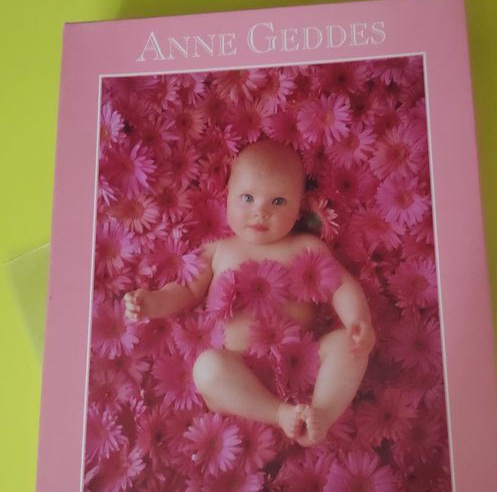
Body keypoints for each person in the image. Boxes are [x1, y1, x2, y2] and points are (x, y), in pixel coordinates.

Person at [124, 139, 375, 446]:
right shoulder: (220, 250)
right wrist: (152, 302)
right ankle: (279, 414)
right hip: (238, 372)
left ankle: (318, 415)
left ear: (299, 208)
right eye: (247, 198)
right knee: (207, 368)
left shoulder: (307, 247)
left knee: (349, 346)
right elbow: (186, 289)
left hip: (303, 368)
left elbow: (342, 285)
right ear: (227, 196)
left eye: (278, 202)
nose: (261, 212)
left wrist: (358, 321)